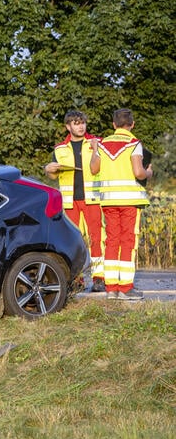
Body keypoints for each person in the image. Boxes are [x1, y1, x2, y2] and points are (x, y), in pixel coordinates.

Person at [90, 108, 152, 300]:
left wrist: (94, 149)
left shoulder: (103, 144)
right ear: (132, 124)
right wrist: (149, 172)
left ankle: (111, 289)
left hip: (109, 201)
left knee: (111, 241)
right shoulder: (134, 144)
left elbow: (94, 169)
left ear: (113, 124)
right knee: (127, 242)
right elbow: (138, 172)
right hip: (129, 201)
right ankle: (125, 288)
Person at [44, 110, 105, 292]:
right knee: (73, 241)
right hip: (70, 202)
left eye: (82, 123)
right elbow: (53, 175)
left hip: (92, 199)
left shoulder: (97, 143)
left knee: (96, 239)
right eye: (76, 123)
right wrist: (49, 169)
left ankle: (99, 278)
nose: (80, 126)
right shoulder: (59, 149)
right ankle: (77, 280)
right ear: (68, 127)